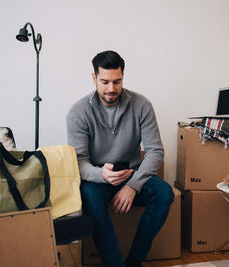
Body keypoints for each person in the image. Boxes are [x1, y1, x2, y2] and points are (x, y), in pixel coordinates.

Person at [66, 50, 174, 267]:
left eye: (117, 81)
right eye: (105, 82)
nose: (111, 89)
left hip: (131, 174)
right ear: (94, 78)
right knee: (88, 196)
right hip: (96, 179)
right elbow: (78, 162)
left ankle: (135, 261)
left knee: (164, 193)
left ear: (123, 76)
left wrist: (133, 186)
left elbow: (155, 151)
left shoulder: (141, 105)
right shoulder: (78, 112)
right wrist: (101, 175)